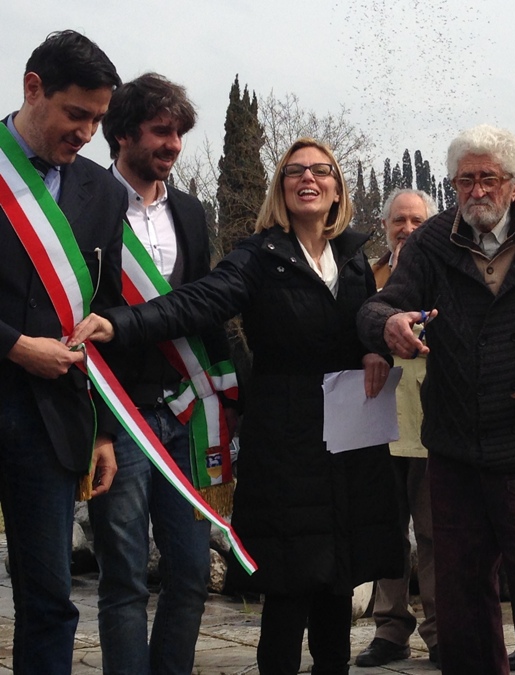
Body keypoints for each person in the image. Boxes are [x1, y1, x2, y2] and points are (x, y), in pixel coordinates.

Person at [69, 138, 403, 675]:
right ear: (280, 188)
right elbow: (199, 301)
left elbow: (367, 320)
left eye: (321, 170)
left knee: (339, 578)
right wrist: (122, 322)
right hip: (286, 441)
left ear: (338, 188)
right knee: (291, 582)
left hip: (347, 443)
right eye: (295, 171)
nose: (308, 178)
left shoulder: (353, 257)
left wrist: (373, 347)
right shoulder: (258, 256)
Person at [357, 124, 515, 675]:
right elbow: (380, 306)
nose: (476, 191)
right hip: (455, 454)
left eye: (488, 178)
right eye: (464, 180)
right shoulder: (430, 242)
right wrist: (388, 322)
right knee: (461, 604)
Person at [88, 72, 237, 675]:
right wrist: (96, 425)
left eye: (178, 134)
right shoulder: (85, 203)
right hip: (120, 414)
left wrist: (233, 393)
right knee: (124, 577)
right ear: (123, 133)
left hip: (185, 413)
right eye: (160, 131)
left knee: (191, 572)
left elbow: (201, 310)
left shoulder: (192, 213)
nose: (173, 145)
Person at [0, 30, 124, 674]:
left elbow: (99, 315)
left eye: (98, 120)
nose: (87, 133)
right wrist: (15, 346)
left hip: (50, 423)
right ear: (33, 88)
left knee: (49, 598)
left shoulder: (103, 193)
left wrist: (100, 431)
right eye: (77, 114)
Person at [356, 188, 440, 668]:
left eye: (417, 221)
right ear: (385, 226)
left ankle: (441, 630)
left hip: (432, 423)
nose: (407, 229)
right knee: (386, 530)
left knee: (434, 532)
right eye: (399, 221)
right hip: (380, 420)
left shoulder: (442, 270)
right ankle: (389, 630)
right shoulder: (367, 277)